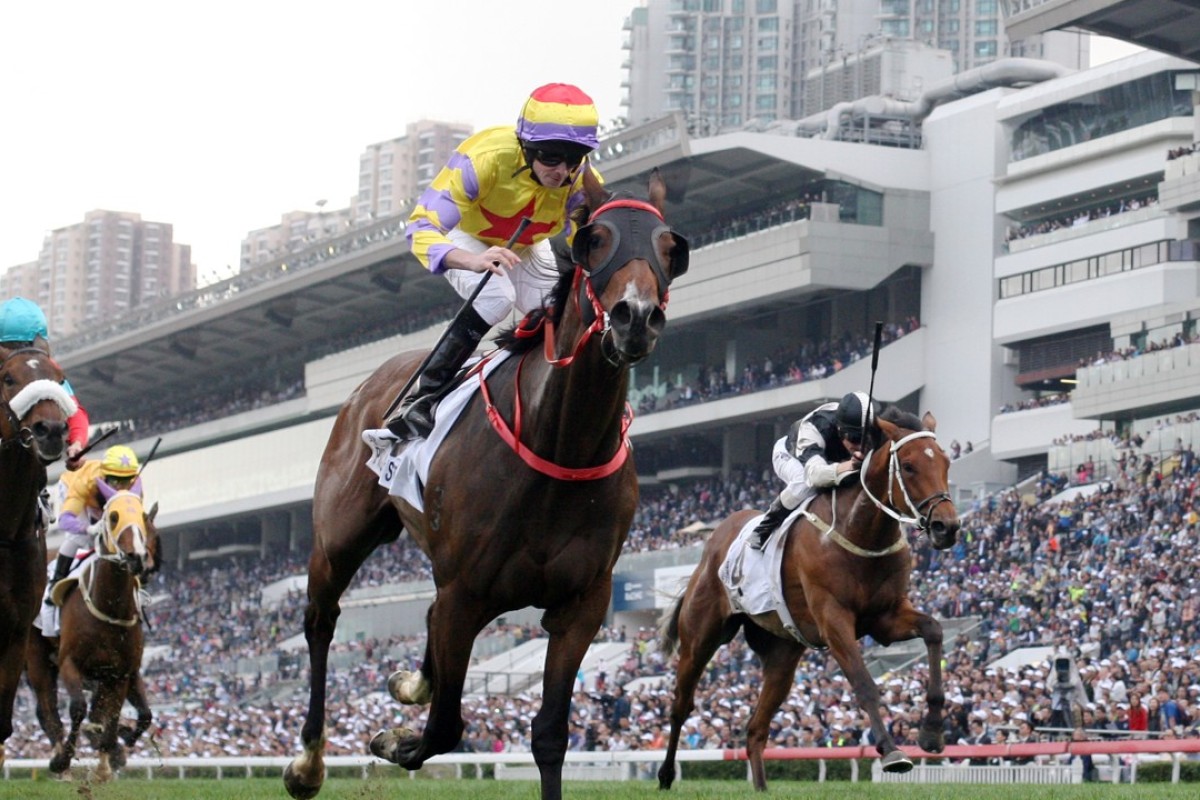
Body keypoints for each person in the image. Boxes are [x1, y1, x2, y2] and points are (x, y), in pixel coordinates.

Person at [386, 83, 603, 439]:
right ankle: (423, 397)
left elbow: (593, 234)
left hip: (527, 246)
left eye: (573, 158)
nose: (562, 171)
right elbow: (421, 227)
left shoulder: (579, 178)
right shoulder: (484, 158)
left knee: (559, 313)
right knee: (496, 296)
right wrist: (471, 260)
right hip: (466, 237)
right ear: (527, 147)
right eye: (550, 157)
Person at [748, 391, 875, 551]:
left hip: (831, 460)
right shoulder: (815, 427)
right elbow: (814, 476)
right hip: (791, 455)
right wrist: (850, 465)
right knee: (804, 483)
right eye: (855, 439)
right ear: (840, 430)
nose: (860, 446)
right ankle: (764, 527)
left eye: (865, 439)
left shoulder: (867, 426)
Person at [0, 296, 90, 466]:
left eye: (30, 345)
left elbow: (73, 410)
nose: (24, 353)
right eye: (15, 346)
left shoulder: (47, 368)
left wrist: (77, 443)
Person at [46, 444, 143, 600]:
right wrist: (88, 528)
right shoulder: (84, 483)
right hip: (73, 487)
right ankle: (56, 579)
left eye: (125, 481)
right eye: (114, 481)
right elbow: (64, 521)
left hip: (100, 503)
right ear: (104, 475)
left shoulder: (136, 483)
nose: (119, 487)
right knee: (79, 538)